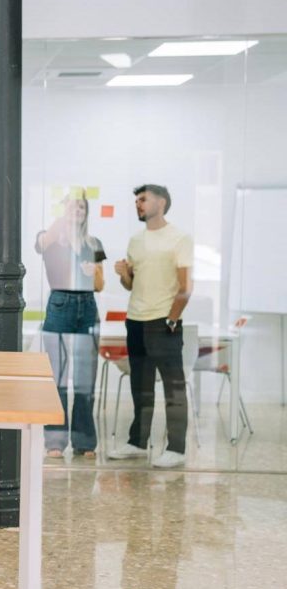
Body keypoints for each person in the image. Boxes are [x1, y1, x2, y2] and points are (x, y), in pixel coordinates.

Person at [109, 184, 193, 469]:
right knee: (140, 387)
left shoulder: (179, 238)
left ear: (162, 202)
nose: (138, 204)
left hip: (163, 323)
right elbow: (130, 284)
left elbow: (185, 287)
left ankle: (178, 448)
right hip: (135, 321)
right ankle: (137, 442)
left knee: (173, 389)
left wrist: (171, 319)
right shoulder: (135, 240)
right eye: (136, 200)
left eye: (143, 199)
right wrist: (124, 274)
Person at [35, 192, 105, 458]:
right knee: (58, 378)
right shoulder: (51, 237)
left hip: (87, 307)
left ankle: (84, 441)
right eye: (73, 205)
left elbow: (100, 285)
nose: (78, 209)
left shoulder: (94, 242)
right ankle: (55, 441)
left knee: (86, 380)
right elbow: (42, 244)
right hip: (60, 305)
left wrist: (93, 274)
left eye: (83, 206)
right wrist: (63, 217)